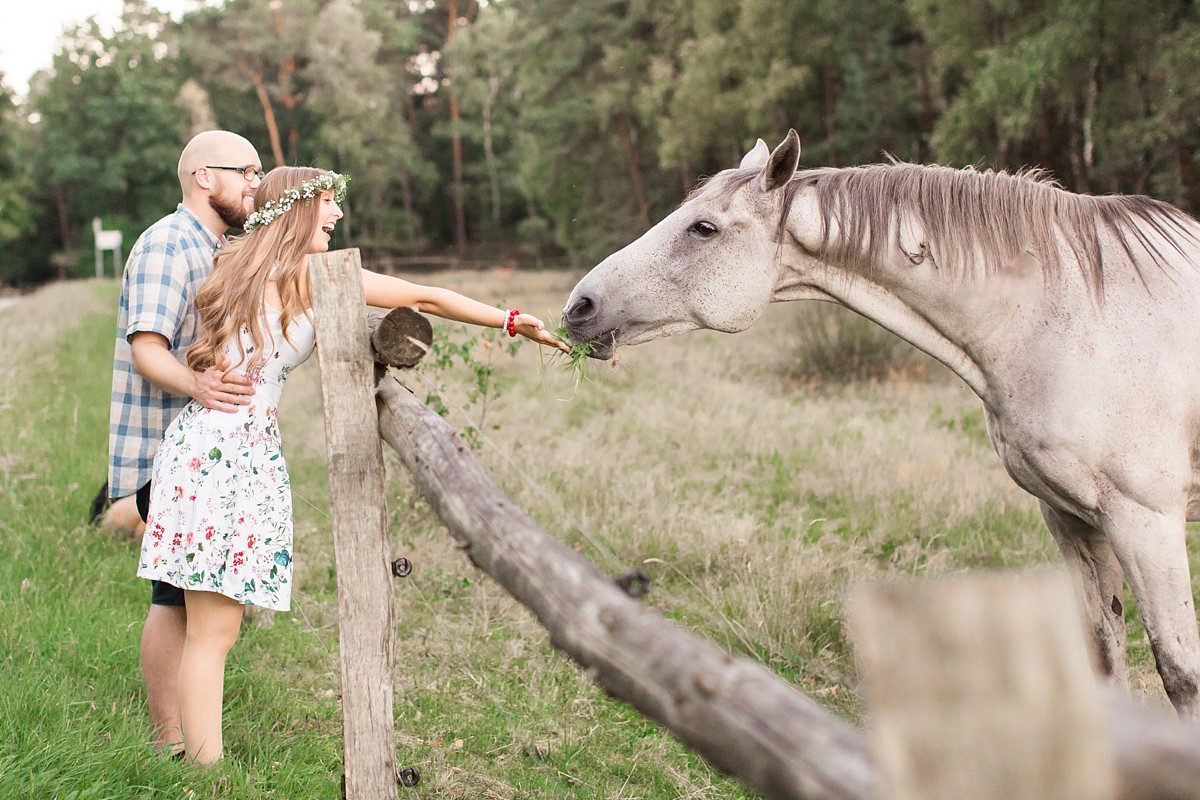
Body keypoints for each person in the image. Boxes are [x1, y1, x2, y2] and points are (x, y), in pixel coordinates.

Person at [135, 165, 569, 765]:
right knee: (215, 632)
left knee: (203, 624)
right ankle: (203, 774)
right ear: (295, 213)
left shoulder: (231, 265)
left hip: (196, 446)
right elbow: (424, 297)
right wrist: (512, 320)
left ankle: (183, 756)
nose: (337, 216)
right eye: (327, 205)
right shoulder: (309, 276)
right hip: (232, 454)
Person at [108, 130, 263, 757]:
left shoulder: (216, 247)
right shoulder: (169, 244)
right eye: (245, 172)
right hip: (163, 447)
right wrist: (199, 387)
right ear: (204, 176)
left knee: (182, 596)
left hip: (197, 454)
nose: (255, 184)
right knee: (172, 598)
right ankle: (170, 740)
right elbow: (148, 347)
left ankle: (182, 734)